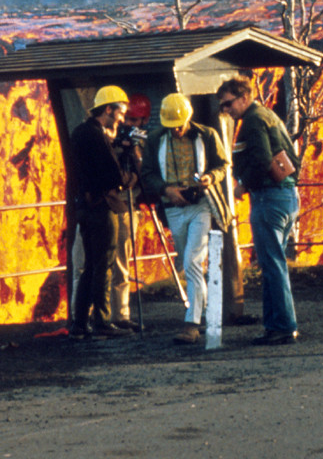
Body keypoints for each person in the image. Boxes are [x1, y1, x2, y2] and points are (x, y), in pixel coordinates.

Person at [140, 92, 232, 345]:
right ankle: (199, 312)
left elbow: (223, 165)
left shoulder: (207, 135)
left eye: (179, 126)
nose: (177, 130)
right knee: (188, 261)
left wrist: (209, 178)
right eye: (172, 127)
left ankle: (192, 323)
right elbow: (147, 173)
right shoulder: (156, 139)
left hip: (201, 205)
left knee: (192, 260)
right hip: (172, 208)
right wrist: (167, 190)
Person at [216, 75, 301, 345]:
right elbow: (291, 160)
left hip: (268, 198)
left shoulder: (252, 121)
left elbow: (263, 160)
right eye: (223, 106)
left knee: (272, 264)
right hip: (286, 196)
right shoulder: (269, 116)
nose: (226, 110)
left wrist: (243, 185)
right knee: (273, 262)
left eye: (228, 103)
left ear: (244, 97)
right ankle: (275, 325)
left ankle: (283, 327)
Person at [67, 85, 134, 338]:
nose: (122, 118)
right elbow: (114, 176)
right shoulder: (97, 136)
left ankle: (80, 323)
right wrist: (131, 173)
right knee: (103, 265)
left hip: (84, 207)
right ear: (108, 109)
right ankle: (103, 321)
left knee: (90, 266)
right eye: (120, 113)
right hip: (101, 207)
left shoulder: (80, 133)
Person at [107, 93, 151, 329]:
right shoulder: (109, 137)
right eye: (127, 120)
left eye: (135, 122)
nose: (129, 126)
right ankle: (97, 315)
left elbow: (146, 170)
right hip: (108, 201)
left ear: (144, 121)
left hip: (128, 202)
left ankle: (121, 315)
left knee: (121, 262)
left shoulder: (144, 142)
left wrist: (134, 152)